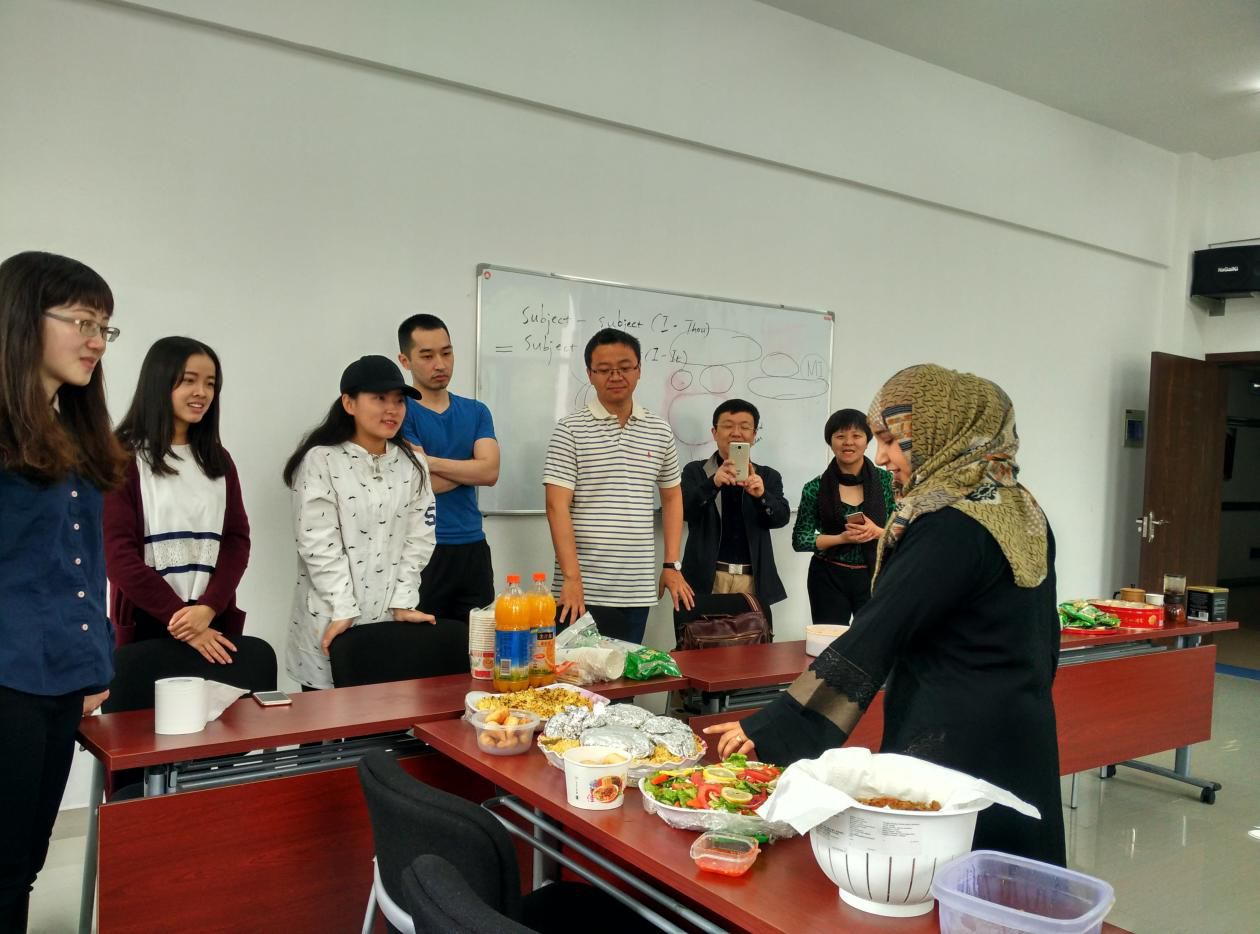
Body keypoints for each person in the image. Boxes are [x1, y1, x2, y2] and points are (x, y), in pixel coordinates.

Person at [705, 364, 1066, 865]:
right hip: (1020, 721)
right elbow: (1046, 635)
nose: (881, 456)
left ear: (942, 433)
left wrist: (773, 727)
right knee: (1007, 876)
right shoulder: (1017, 505)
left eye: (893, 440)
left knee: (947, 871)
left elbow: (875, 635)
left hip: (956, 735)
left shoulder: (951, 525)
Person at [0, 251, 125, 931]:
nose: (96, 341)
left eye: (105, 327)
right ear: (23, 320)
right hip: (9, 677)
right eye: (82, 321)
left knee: (24, 864)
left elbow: (80, 564)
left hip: (57, 680)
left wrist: (92, 661)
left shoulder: (70, 430)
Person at [282, 355, 437, 690]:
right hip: (331, 618)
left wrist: (404, 601)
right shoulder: (321, 460)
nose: (392, 409)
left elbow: (420, 538)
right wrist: (343, 607)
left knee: (386, 712)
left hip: (388, 623)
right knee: (327, 715)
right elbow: (318, 543)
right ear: (349, 403)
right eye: (379, 398)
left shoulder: (413, 464)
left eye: (399, 401)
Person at [543, 328, 695, 643]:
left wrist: (671, 563)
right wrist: (571, 578)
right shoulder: (569, 430)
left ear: (639, 369)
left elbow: (672, 498)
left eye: (625, 367)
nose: (616, 376)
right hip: (580, 588)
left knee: (625, 671)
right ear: (590, 374)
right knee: (575, 672)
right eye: (604, 369)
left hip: (636, 588)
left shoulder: (659, 431)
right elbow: (556, 506)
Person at [105, 337, 250, 665]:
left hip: (212, 618)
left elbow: (236, 541)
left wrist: (208, 608)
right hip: (147, 622)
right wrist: (184, 622)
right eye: (189, 380)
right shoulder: (123, 458)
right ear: (159, 382)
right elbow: (118, 556)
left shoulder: (218, 460)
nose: (202, 392)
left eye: (210, 383)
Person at [396, 314, 498, 622]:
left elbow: (490, 473)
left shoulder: (476, 411)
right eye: (427, 356)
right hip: (422, 549)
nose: (440, 364)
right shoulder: (399, 412)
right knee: (423, 643)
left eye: (446, 353)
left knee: (479, 643)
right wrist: (470, 470)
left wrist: (430, 462)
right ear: (405, 361)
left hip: (473, 546)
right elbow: (416, 485)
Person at [680, 399, 789, 604]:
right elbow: (685, 512)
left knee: (754, 628)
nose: (736, 433)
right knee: (701, 626)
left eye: (745, 427)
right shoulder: (695, 471)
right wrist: (713, 483)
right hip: (707, 579)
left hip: (752, 580)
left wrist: (762, 495)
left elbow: (781, 519)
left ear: (754, 435)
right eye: (728, 426)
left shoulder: (768, 476)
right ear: (714, 433)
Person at [793, 408, 896, 624]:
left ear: (867, 441)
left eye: (856, 436)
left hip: (875, 575)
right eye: (840, 436)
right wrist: (841, 538)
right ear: (830, 442)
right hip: (828, 575)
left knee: (873, 638)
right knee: (830, 640)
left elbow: (903, 531)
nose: (848, 442)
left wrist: (877, 531)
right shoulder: (815, 487)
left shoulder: (888, 482)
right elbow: (800, 539)